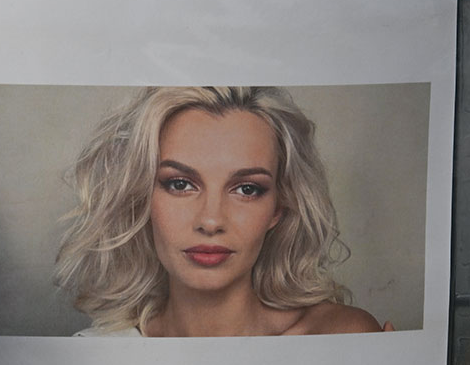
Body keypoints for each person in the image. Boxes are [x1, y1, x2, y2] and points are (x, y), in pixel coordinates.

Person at [55, 86, 389, 337]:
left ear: (278, 207)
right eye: (180, 184)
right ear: (140, 196)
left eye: (247, 189)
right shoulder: (98, 355)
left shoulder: (339, 334)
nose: (211, 221)